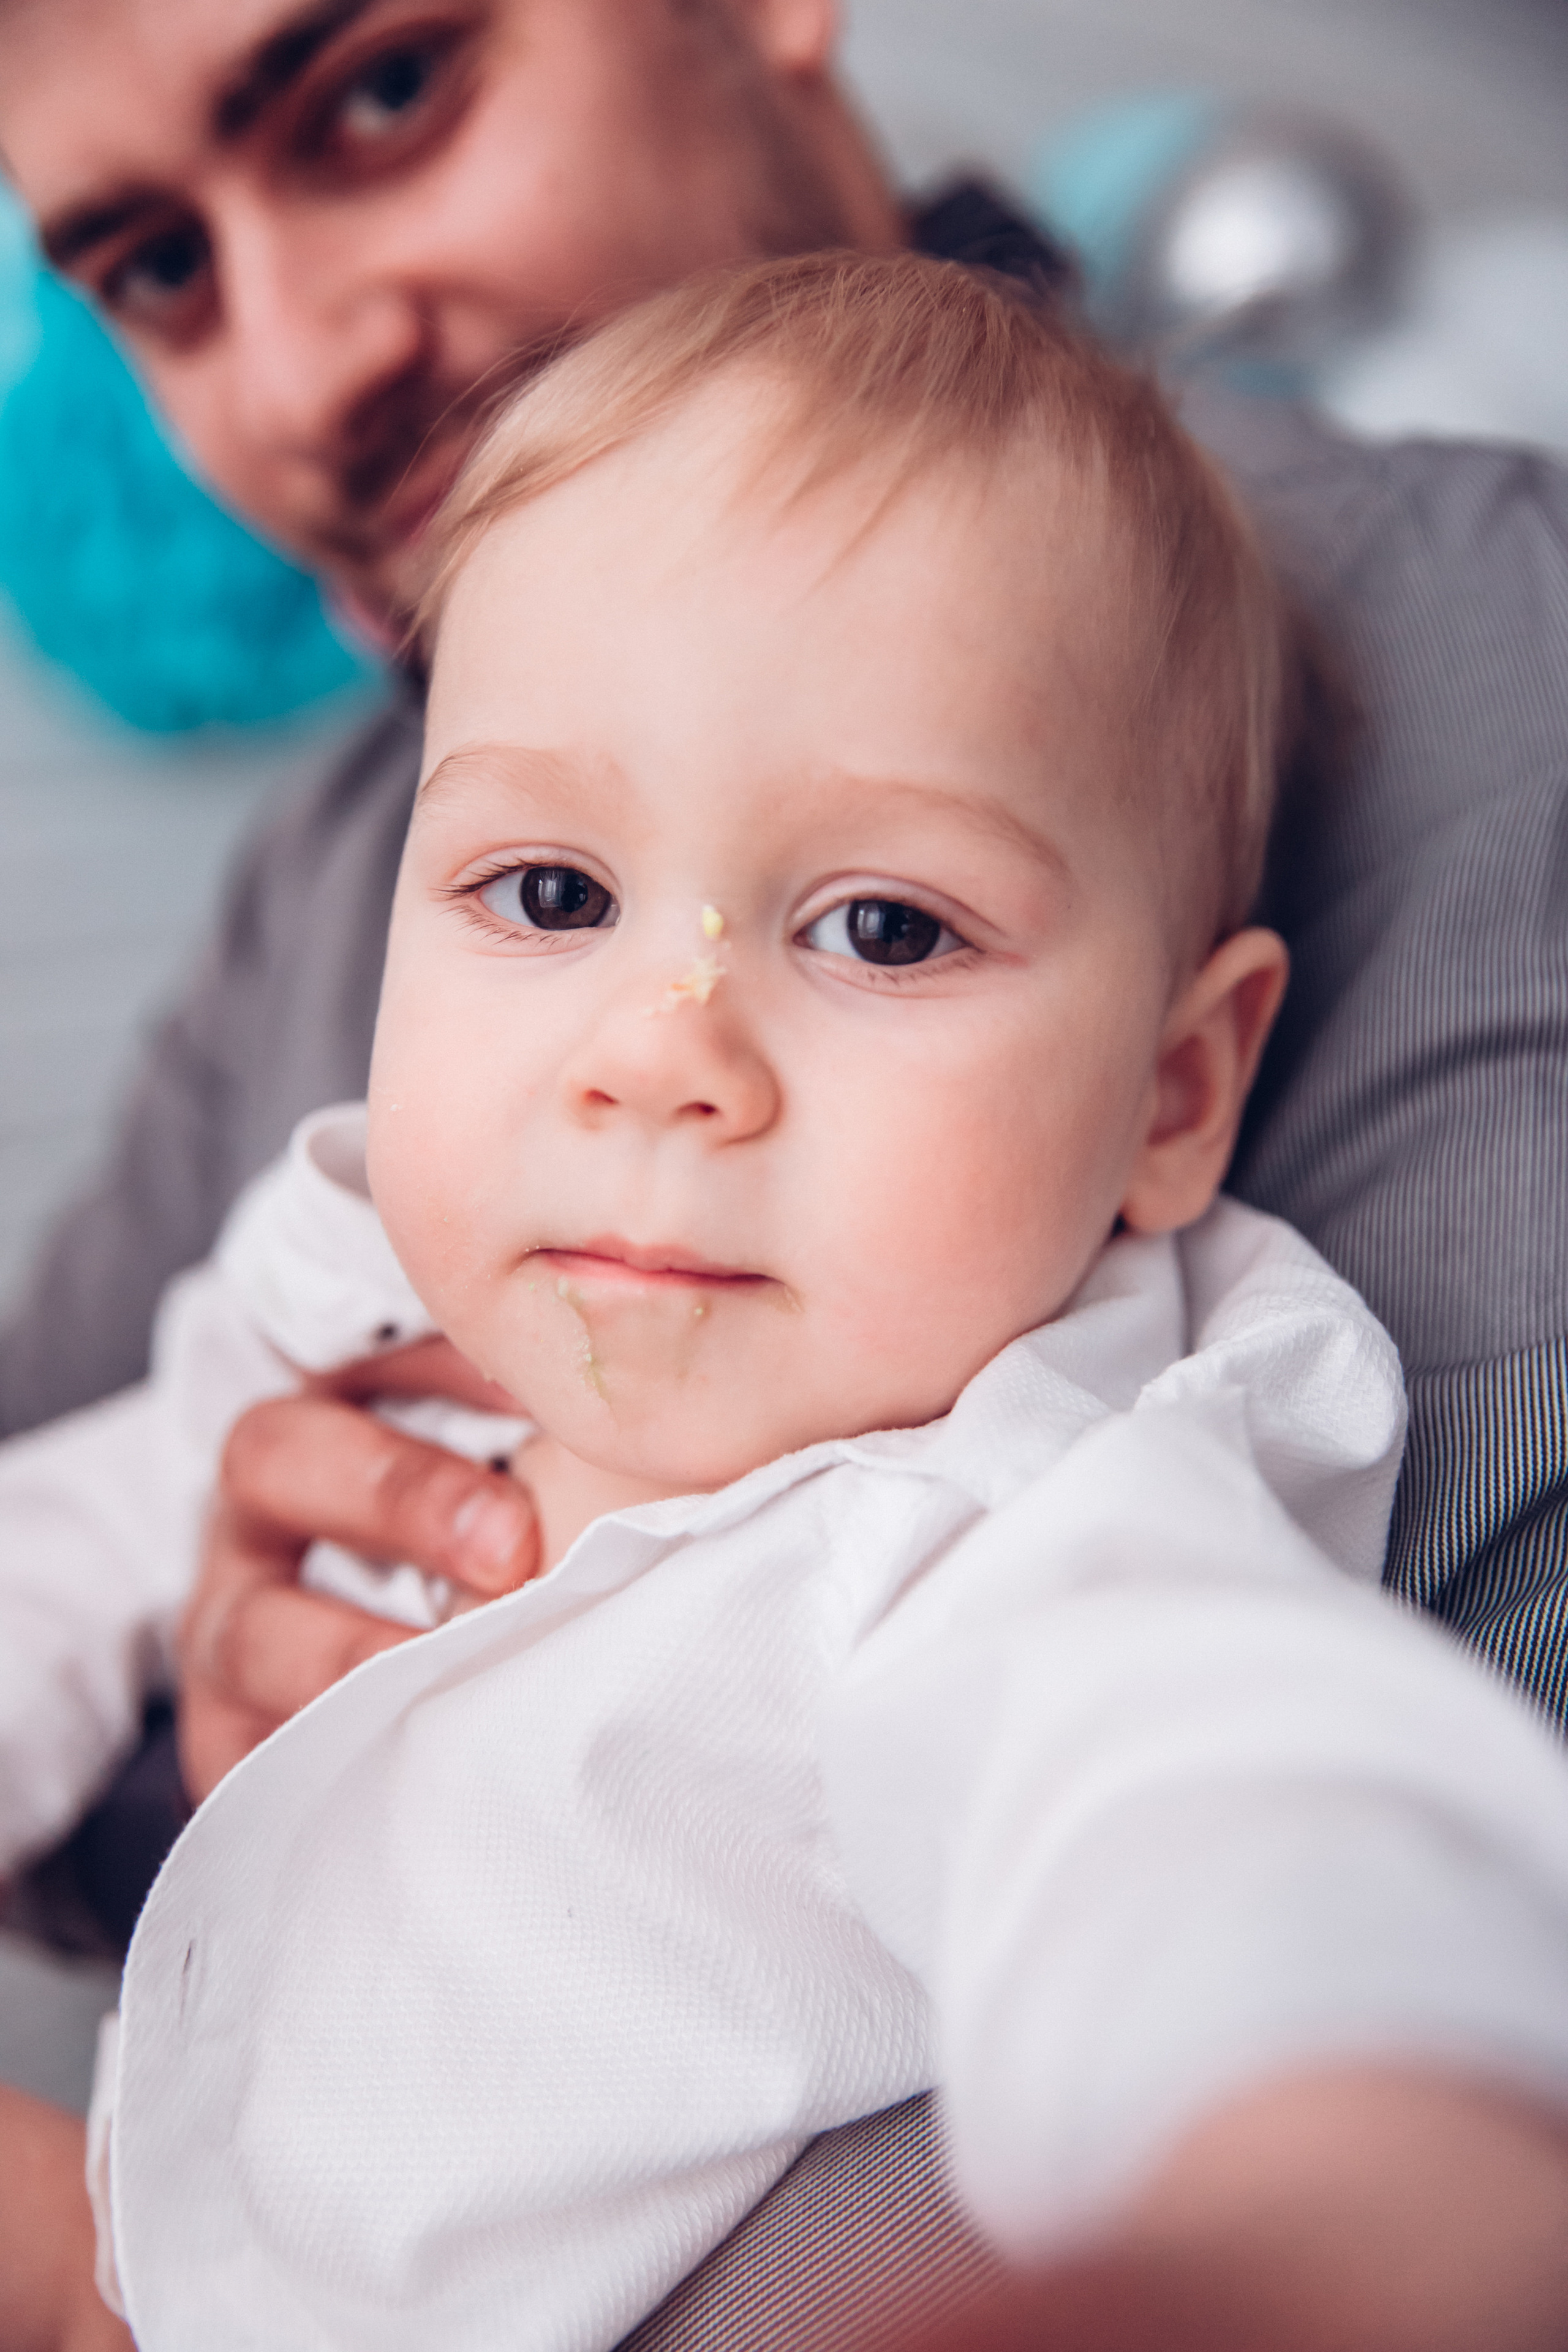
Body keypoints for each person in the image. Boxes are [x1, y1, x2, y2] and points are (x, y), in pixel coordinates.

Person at [9, 252, 1568, 2352]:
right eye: (547, 894)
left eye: (885, 928)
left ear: (1175, 1096)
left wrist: (1316, 2184)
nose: (662, 1052)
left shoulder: (1000, 1521)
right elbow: (79, 1526)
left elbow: (1205, 1796)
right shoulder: (374, 1270)